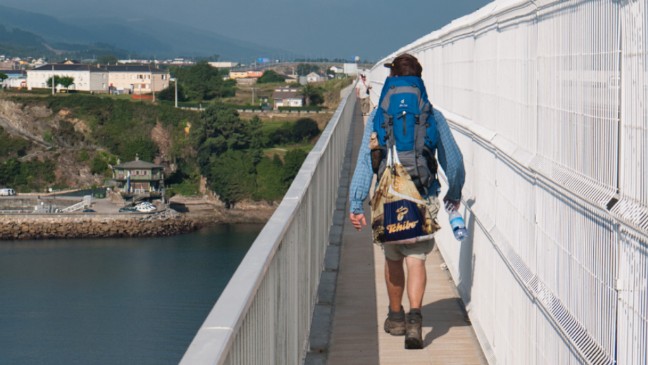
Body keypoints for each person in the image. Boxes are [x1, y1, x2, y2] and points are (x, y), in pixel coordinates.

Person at [348, 53, 465, 349]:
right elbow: (454, 161)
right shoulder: (431, 114)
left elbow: (365, 161)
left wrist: (355, 202)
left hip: (389, 199)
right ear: (419, 80)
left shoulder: (378, 116)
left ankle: (396, 317)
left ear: (392, 80)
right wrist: (453, 193)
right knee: (417, 260)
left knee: (393, 259)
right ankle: (415, 321)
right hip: (422, 196)